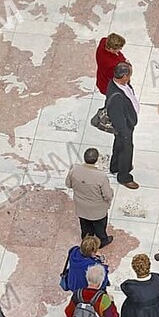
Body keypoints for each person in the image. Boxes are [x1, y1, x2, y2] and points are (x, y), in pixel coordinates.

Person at [65, 147, 114, 244]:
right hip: (98, 210)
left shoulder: (74, 169)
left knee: (85, 225)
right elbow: (107, 195)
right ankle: (102, 241)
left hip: (81, 207)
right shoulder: (101, 176)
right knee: (100, 227)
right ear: (96, 160)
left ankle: (87, 240)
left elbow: (68, 184)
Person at [106, 61, 139, 189]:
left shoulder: (121, 83)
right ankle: (124, 176)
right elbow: (118, 119)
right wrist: (125, 133)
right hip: (125, 127)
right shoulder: (117, 97)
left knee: (118, 145)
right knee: (126, 150)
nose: (130, 77)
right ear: (124, 77)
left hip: (127, 122)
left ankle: (115, 166)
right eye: (129, 75)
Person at [95, 32, 127, 97]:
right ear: (111, 49)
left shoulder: (103, 41)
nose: (120, 50)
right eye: (119, 49)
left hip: (101, 78)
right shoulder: (111, 65)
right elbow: (117, 79)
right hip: (108, 86)